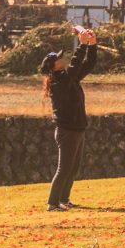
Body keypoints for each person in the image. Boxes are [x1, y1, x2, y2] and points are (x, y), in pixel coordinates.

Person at [40, 27, 97, 211]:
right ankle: (52, 203)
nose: (62, 59)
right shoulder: (59, 82)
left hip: (77, 128)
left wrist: (92, 45)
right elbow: (74, 67)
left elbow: (88, 64)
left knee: (73, 168)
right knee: (64, 169)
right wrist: (81, 44)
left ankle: (63, 199)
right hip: (67, 131)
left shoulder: (67, 79)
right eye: (58, 59)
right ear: (53, 66)